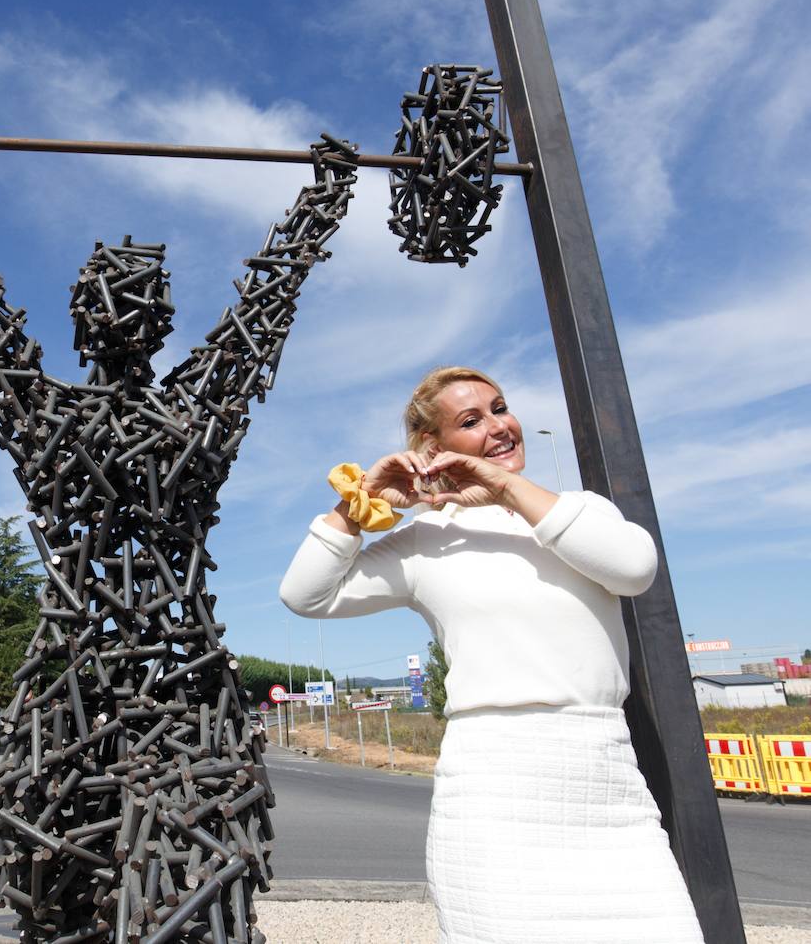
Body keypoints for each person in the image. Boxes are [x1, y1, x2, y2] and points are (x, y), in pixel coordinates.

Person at [279, 366, 703, 943]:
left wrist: (503, 488)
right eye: (472, 420)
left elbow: (634, 569)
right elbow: (306, 594)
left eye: (500, 408)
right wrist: (357, 507)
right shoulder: (426, 543)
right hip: (494, 795)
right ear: (434, 447)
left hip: (609, 791)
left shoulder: (576, 511)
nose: (500, 427)